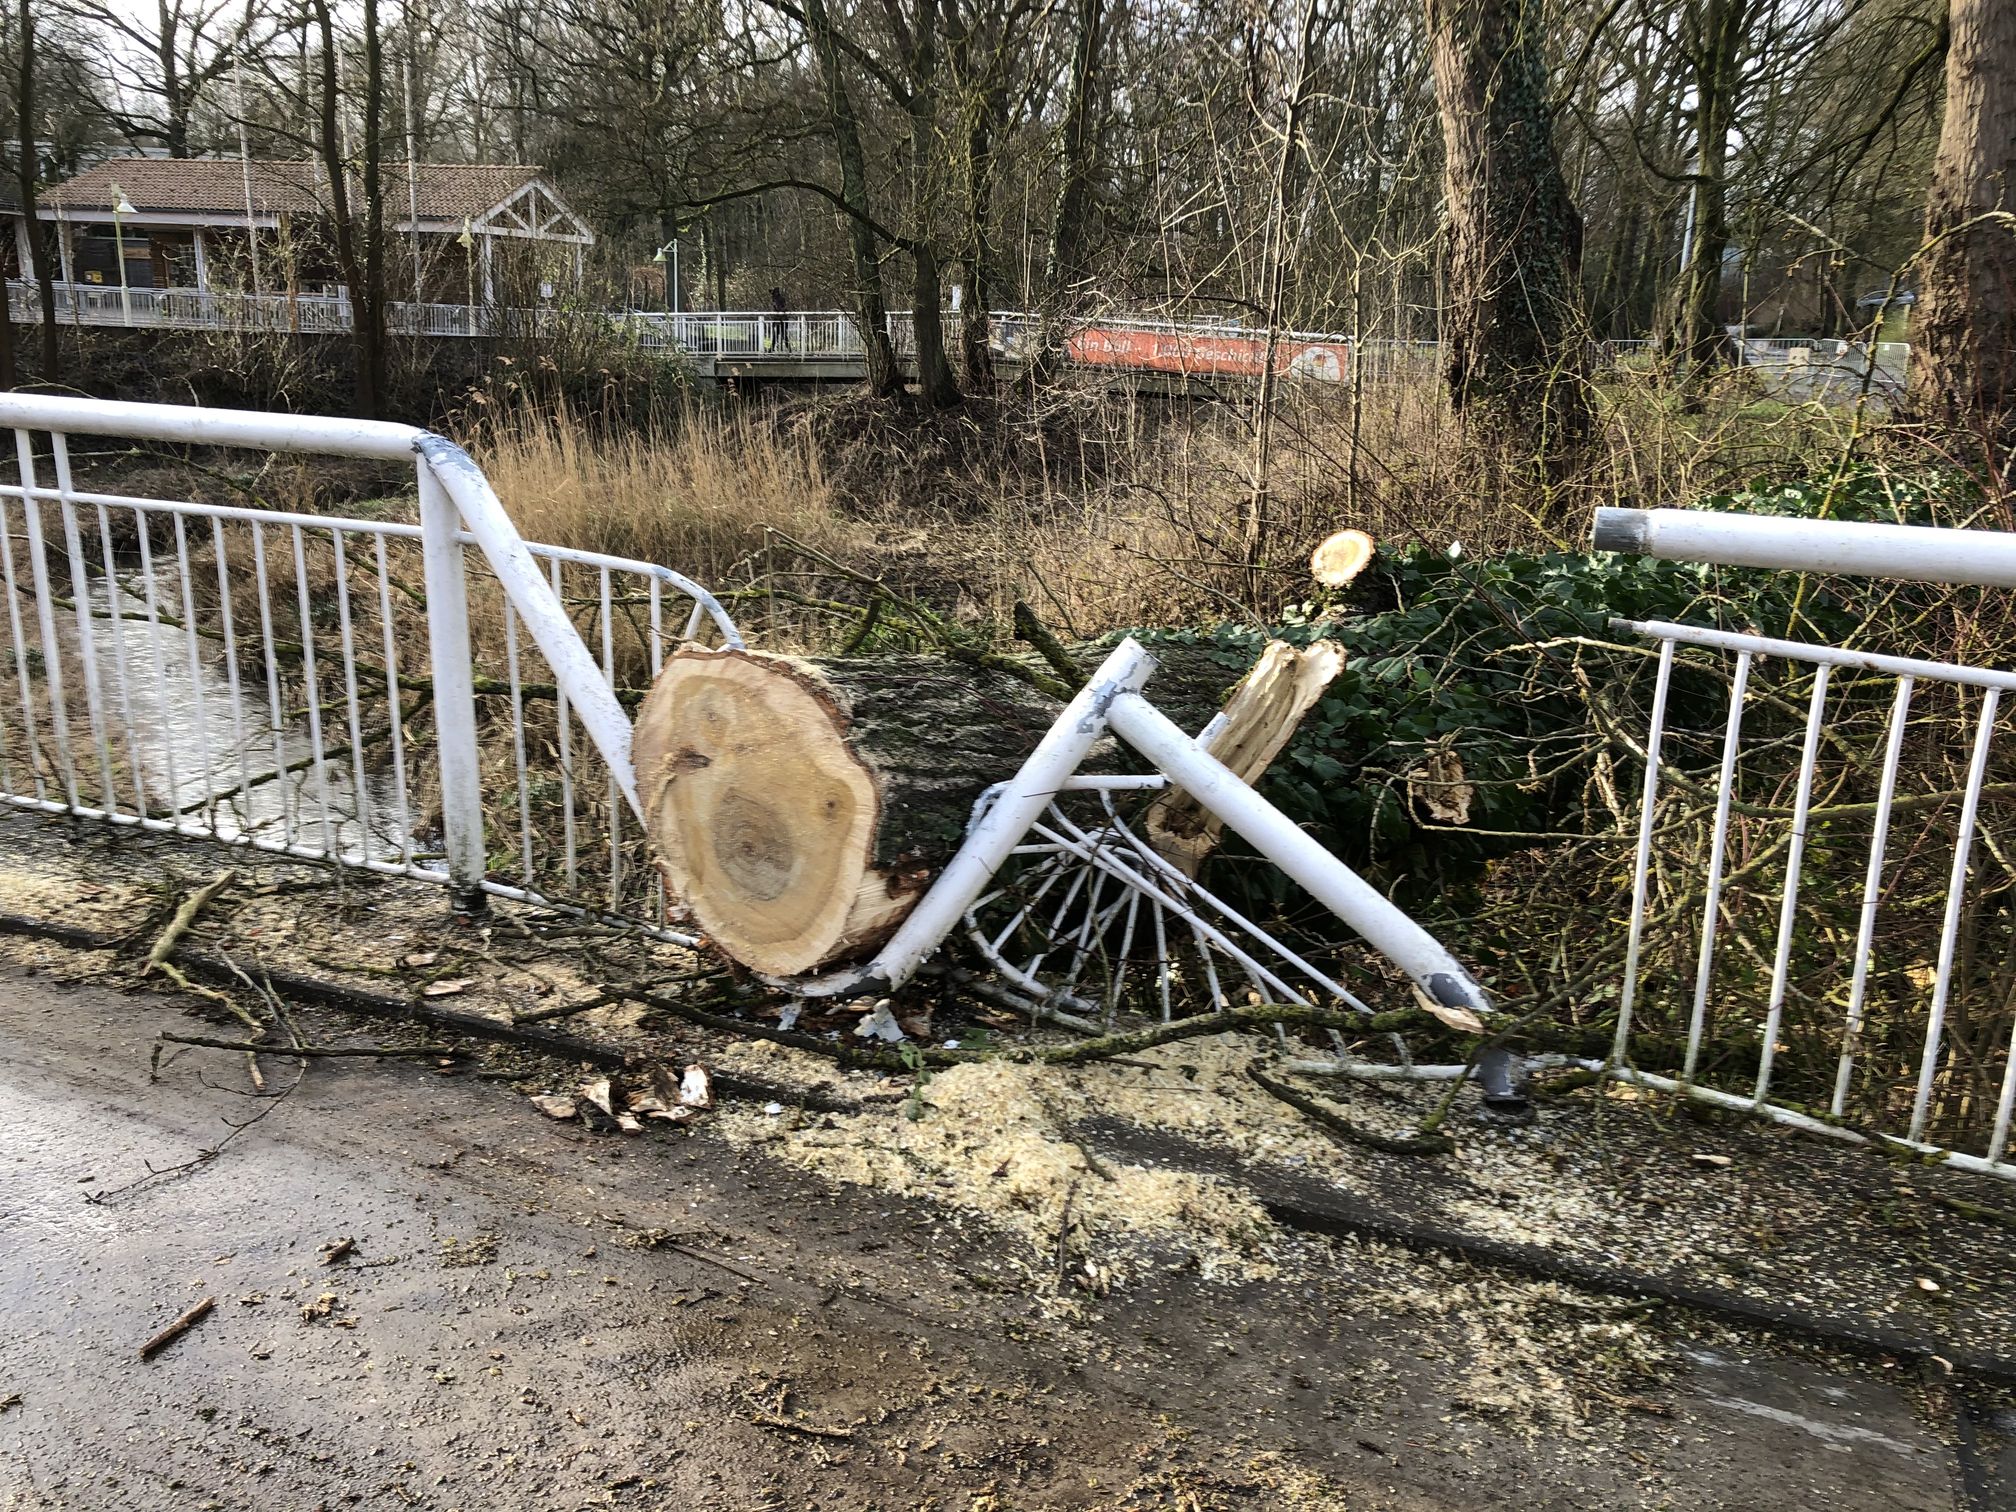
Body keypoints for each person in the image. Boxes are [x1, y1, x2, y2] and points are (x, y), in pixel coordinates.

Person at [767, 286, 791, 353]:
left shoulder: (777, 299)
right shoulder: (777, 299)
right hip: (780, 319)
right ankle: (788, 349)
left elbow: (779, 308)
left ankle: (772, 349)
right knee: (781, 334)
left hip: (781, 319)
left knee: (780, 334)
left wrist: (777, 310)